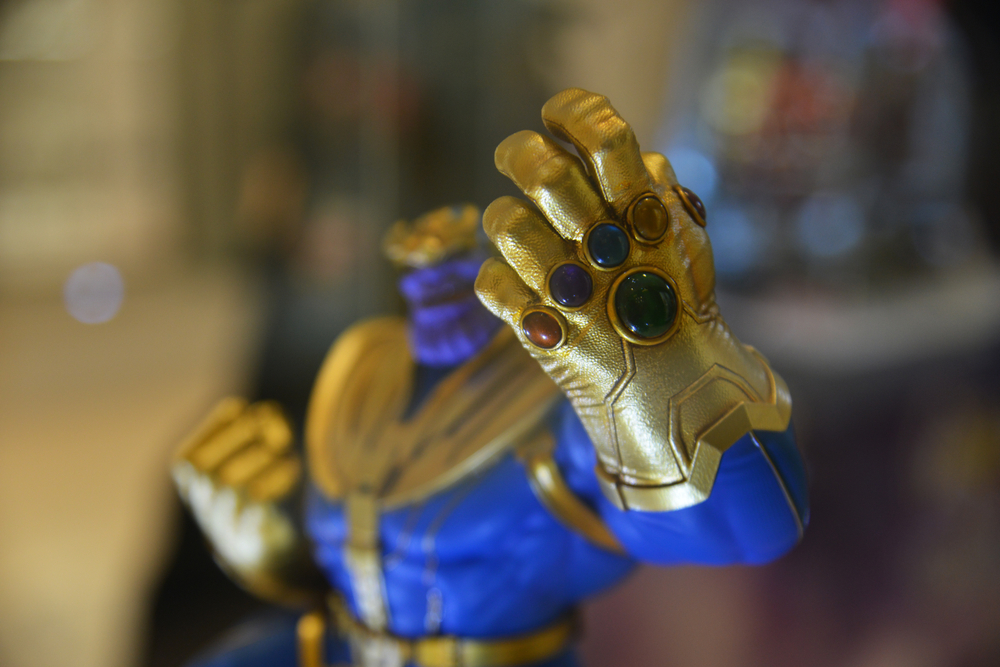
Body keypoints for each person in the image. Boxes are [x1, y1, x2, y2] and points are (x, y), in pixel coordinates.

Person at [172, 88, 809, 667]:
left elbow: (745, 527)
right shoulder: (365, 368)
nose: (430, 246)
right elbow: (367, 566)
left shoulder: (562, 400)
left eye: (451, 231)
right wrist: (276, 553)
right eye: (417, 238)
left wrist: (666, 372)